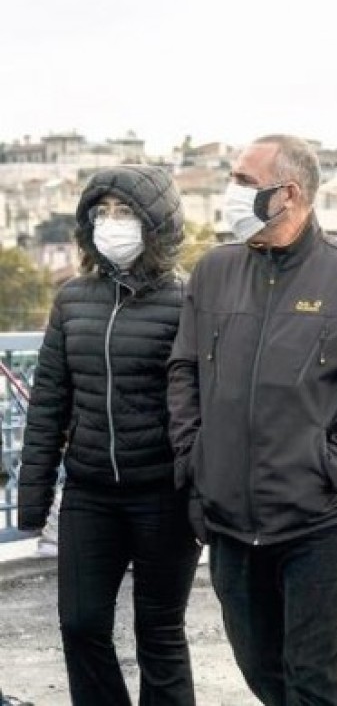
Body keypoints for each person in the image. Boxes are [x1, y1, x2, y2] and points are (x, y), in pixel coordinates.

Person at [168, 135, 337, 704]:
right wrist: (196, 459)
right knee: (262, 672)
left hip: (319, 520)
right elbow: (183, 370)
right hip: (229, 519)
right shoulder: (213, 271)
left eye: (243, 182)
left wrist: (332, 463)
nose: (231, 192)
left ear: (290, 193)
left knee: (313, 676)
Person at [19, 166, 201, 705]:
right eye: (102, 212)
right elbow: (48, 401)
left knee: (160, 633)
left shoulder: (188, 301)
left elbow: (206, 405)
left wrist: (206, 493)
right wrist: (35, 498)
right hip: (89, 493)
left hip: (163, 495)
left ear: (157, 224)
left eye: (126, 213)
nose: (112, 223)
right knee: (79, 624)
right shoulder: (72, 299)